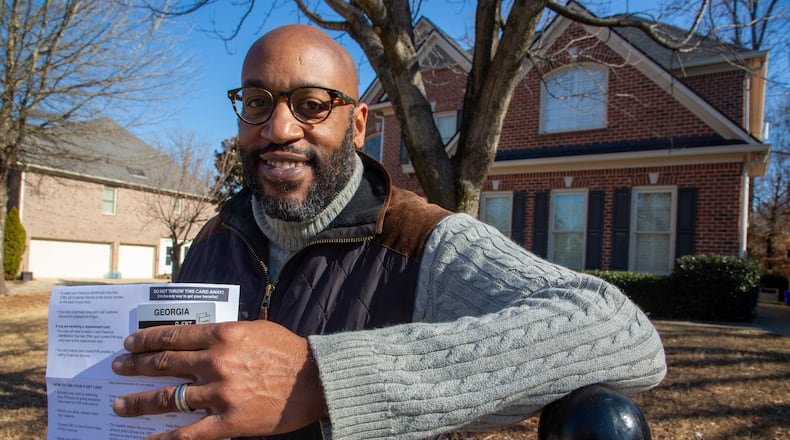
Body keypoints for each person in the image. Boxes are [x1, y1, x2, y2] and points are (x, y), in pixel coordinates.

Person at [111, 24, 666, 440]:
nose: (279, 128)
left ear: (356, 125)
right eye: (258, 103)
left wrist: (322, 381)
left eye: (311, 105)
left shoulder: (421, 240)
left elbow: (621, 330)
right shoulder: (213, 238)